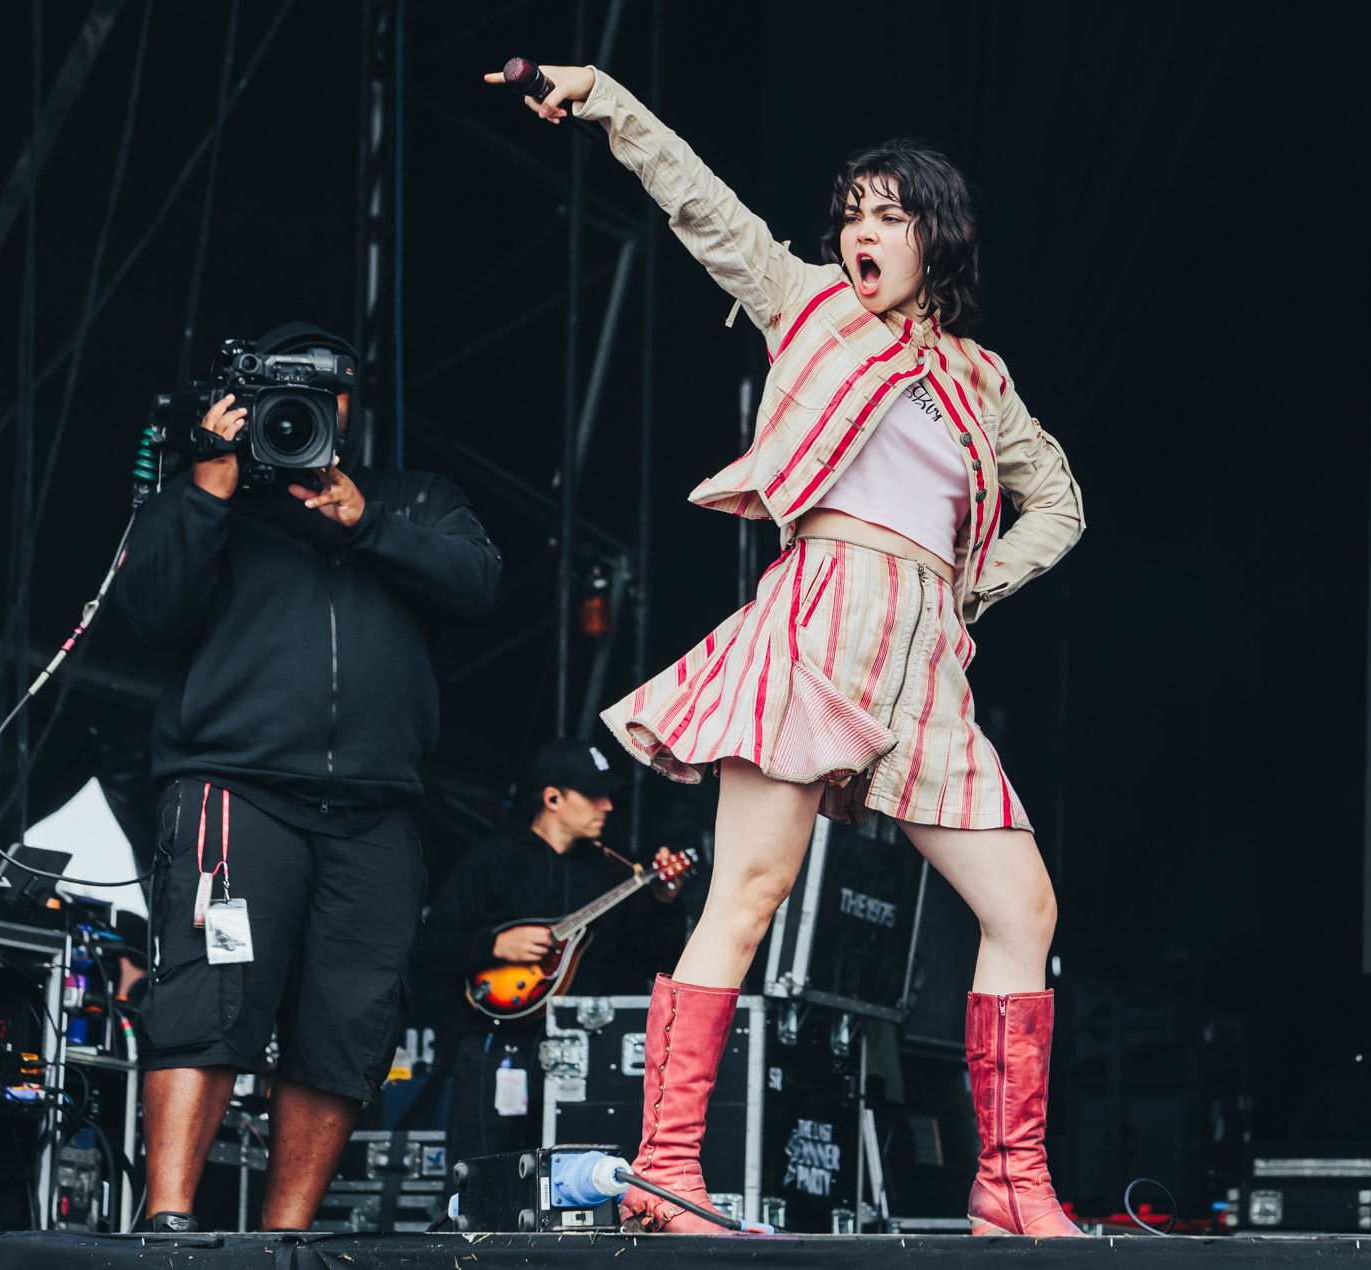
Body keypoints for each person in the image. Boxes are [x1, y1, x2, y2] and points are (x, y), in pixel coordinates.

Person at [483, 66, 1087, 1235]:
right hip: (819, 611)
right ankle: (665, 1172)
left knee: (1023, 908)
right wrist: (605, 95)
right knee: (747, 891)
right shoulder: (805, 303)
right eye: (851, 211)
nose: (861, 231)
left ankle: (1008, 1182)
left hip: (923, 652)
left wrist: (973, 589)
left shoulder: (977, 377)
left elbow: (1056, 499)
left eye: (888, 214)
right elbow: (698, 200)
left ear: (934, 237)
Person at [113, 322, 502, 1232]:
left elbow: (479, 581)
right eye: (283, 393)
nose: (307, 411)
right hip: (234, 790)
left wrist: (366, 523)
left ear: (349, 406)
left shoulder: (413, 498)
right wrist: (208, 482)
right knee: (210, 994)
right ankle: (168, 1222)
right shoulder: (209, 498)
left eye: (326, 393)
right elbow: (150, 611)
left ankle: (285, 1236)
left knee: (348, 1021)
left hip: (374, 813)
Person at [421, 739, 688, 1168]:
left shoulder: (614, 873)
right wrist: (492, 945)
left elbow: (652, 960)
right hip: (495, 1046)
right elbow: (429, 947)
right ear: (553, 798)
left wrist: (665, 904)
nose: (608, 806)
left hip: (583, 1052)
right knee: (484, 1180)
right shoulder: (491, 861)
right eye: (594, 794)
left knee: (577, 1189)